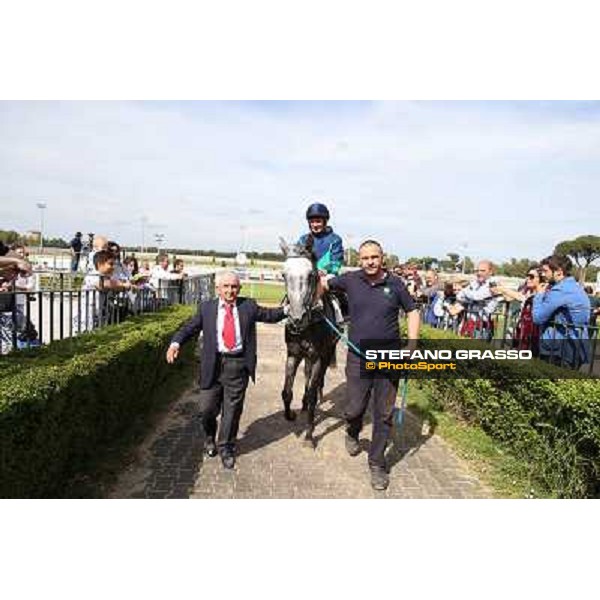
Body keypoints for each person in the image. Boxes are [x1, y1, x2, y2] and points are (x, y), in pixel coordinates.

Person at [320, 239, 420, 491]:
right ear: (359, 260)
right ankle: (352, 431)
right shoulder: (350, 279)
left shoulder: (395, 283)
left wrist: (411, 346)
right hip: (358, 357)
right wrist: (315, 287)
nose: (370, 262)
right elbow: (322, 284)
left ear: (382, 257)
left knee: (383, 414)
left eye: (374, 257)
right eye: (365, 258)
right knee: (355, 408)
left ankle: (377, 463)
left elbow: (413, 312)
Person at [166, 271, 288, 470]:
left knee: (232, 411)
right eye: (226, 287)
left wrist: (289, 309)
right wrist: (176, 342)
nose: (230, 291)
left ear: (239, 289)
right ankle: (209, 436)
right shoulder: (206, 308)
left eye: (234, 287)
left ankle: (226, 447)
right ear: (218, 289)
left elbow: (270, 315)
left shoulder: (248, 305)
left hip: (238, 366)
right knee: (207, 409)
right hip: (212, 365)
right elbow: (190, 327)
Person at [532, 255, 591, 369]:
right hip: (573, 347)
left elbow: (538, 318)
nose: (543, 274)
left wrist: (539, 294)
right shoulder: (574, 287)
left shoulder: (561, 290)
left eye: (545, 271)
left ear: (559, 272)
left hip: (559, 350)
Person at [297, 202, 345, 322]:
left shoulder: (335, 239)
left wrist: (325, 270)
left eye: (318, 221)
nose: (315, 224)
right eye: (312, 222)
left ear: (325, 221)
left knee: (323, 282)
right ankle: (290, 312)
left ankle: (339, 316)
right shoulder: (303, 239)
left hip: (326, 275)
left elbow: (336, 262)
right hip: (308, 274)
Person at [449, 260, 500, 340]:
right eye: (477, 270)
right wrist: (467, 294)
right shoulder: (475, 283)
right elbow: (459, 296)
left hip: (482, 325)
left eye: (482, 270)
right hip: (470, 321)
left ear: (490, 272)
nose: (479, 273)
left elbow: (477, 296)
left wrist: (464, 290)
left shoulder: (493, 284)